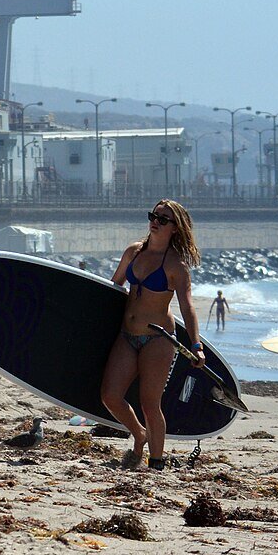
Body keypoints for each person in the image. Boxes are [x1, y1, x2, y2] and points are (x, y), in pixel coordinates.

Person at [100, 200, 204, 471]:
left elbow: (187, 306)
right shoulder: (134, 252)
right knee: (110, 396)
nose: (155, 221)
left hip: (158, 339)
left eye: (163, 218)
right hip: (127, 335)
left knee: (150, 403)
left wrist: (196, 345)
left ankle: (156, 463)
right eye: (154, 215)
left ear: (175, 228)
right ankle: (139, 434)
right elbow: (113, 288)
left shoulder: (176, 266)